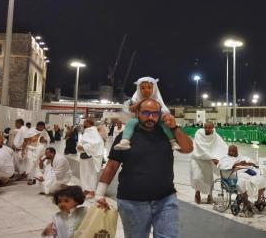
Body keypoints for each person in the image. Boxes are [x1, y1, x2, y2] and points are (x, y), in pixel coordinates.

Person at [96, 98, 193, 238]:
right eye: (146, 113)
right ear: (138, 114)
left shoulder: (166, 134)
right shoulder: (125, 137)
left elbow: (187, 148)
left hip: (165, 199)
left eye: (155, 113)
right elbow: (111, 166)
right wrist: (100, 194)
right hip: (132, 202)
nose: (150, 117)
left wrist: (174, 127)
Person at [114, 77, 179, 150]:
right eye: (143, 88)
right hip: (139, 119)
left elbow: (163, 110)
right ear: (139, 89)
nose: (146, 90)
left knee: (164, 126)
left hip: (155, 120)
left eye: (149, 87)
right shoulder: (136, 99)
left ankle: (172, 141)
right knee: (130, 123)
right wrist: (142, 101)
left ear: (153, 89)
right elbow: (131, 109)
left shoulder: (157, 99)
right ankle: (125, 141)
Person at [218, 145, 266, 209]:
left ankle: (258, 200)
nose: (232, 152)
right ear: (228, 151)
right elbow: (222, 166)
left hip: (248, 172)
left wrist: (249, 163)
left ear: (237, 151)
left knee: (261, 180)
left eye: (234, 151)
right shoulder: (224, 159)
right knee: (244, 182)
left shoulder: (241, 157)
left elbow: (252, 162)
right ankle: (246, 203)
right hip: (235, 174)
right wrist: (237, 164)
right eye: (230, 151)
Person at [190, 121, 228, 204]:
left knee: (209, 179)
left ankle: (209, 196)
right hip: (197, 158)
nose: (207, 129)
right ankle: (197, 193)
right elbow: (200, 148)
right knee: (197, 177)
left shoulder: (215, 136)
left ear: (213, 127)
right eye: (205, 127)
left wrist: (228, 157)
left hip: (208, 161)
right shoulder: (199, 133)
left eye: (209, 127)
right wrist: (212, 158)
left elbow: (222, 146)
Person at [76, 118, 105, 199]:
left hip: (90, 156)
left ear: (89, 123)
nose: (83, 124)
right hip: (83, 156)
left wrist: (84, 147)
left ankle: (92, 191)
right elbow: (82, 141)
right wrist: (79, 146)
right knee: (84, 173)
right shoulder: (86, 131)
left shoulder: (93, 131)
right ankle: (86, 189)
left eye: (85, 122)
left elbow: (96, 143)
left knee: (91, 174)